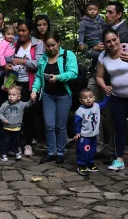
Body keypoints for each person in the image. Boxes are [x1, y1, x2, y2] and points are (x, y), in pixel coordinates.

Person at [96, 28, 128, 174]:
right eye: (108, 41)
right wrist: (104, 87)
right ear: (104, 44)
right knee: (118, 127)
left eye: (114, 40)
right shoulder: (103, 56)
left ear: (118, 37)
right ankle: (119, 159)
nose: (112, 44)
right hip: (117, 96)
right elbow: (99, 76)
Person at [89, 1, 128, 163]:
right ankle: (97, 147)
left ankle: (112, 150)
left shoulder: (124, 32)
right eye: (105, 12)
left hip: (113, 78)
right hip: (97, 75)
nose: (106, 15)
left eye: (110, 12)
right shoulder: (102, 28)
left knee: (113, 115)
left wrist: (97, 49)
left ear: (119, 15)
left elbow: (115, 51)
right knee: (92, 109)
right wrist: (93, 49)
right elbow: (92, 51)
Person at [31, 31, 78, 164]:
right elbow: (39, 77)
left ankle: (61, 153)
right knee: (49, 125)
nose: (51, 48)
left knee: (60, 126)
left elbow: (73, 73)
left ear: (59, 43)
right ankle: (51, 152)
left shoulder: (68, 55)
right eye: (48, 46)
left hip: (63, 95)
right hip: (48, 95)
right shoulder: (43, 58)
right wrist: (34, 90)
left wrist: (58, 78)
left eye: (53, 45)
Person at [6, 20, 43, 157]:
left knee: (28, 114)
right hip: (15, 83)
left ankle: (27, 143)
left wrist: (23, 61)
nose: (20, 33)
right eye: (19, 31)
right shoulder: (14, 44)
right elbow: (8, 60)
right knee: (13, 114)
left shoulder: (37, 44)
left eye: (23, 31)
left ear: (30, 31)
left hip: (29, 83)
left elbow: (39, 63)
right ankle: (15, 145)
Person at [73, 88, 111, 176]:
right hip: (84, 136)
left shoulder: (97, 106)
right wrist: (77, 133)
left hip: (93, 135)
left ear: (94, 98)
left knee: (92, 150)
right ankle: (82, 165)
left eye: (90, 97)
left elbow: (104, 103)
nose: (88, 99)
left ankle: (90, 163)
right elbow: (77, 123)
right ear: (81, 100)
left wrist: (108, 95)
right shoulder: (80, 111)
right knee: (83, 150)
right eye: (85, 98)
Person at [0, 86, 34, 161]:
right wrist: (3, 119)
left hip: (17, 128)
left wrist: (32, 100)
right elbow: (0, 112)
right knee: (6, 141)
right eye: (9, 95)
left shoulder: (21, 104)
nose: (11, 96)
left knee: (16, 141)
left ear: (19, 97)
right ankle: (3, 153)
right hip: (7, 128)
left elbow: (28, 104)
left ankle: (16, 152)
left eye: (13, 95)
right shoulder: (5, 104)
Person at [78, 1, 107, 74]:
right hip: (91, 40)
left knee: (100, 53)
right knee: (104, 49)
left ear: (98, 10)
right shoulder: (83, 22)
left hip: (100, 38)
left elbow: (105, 28)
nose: (92, 11)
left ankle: (93, 68)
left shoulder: (100, 19)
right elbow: (81, 33)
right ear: (86, 11)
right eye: (90, 9)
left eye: (95, 9)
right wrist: (81, 43)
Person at [0, 25, 16, 89]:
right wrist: (3, 64)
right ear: (4, 34)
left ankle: (7, 85)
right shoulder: (3, 42)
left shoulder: (11, 41)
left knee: (10, 73)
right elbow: (0, 54)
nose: (10, 36)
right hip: (7, 60)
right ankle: (6, 86)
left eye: (12, 34)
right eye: (8, 34)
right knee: (12, 72)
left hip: (11, 59)